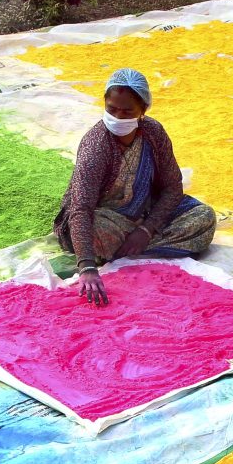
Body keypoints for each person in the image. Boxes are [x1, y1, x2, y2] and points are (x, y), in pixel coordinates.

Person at [54, 68, 216, 305]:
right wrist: (87, 267)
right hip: (104, 218)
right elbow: (81, 208)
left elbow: (173, 187)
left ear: (143, 110)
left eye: (127, 111)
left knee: (204, 217)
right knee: (95, 229)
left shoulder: (154, 133)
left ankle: (133, 247)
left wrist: (146, 229)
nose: (118, 117)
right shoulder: (96, 145)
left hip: (145, 212)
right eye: (112, 109)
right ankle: (127, 250)